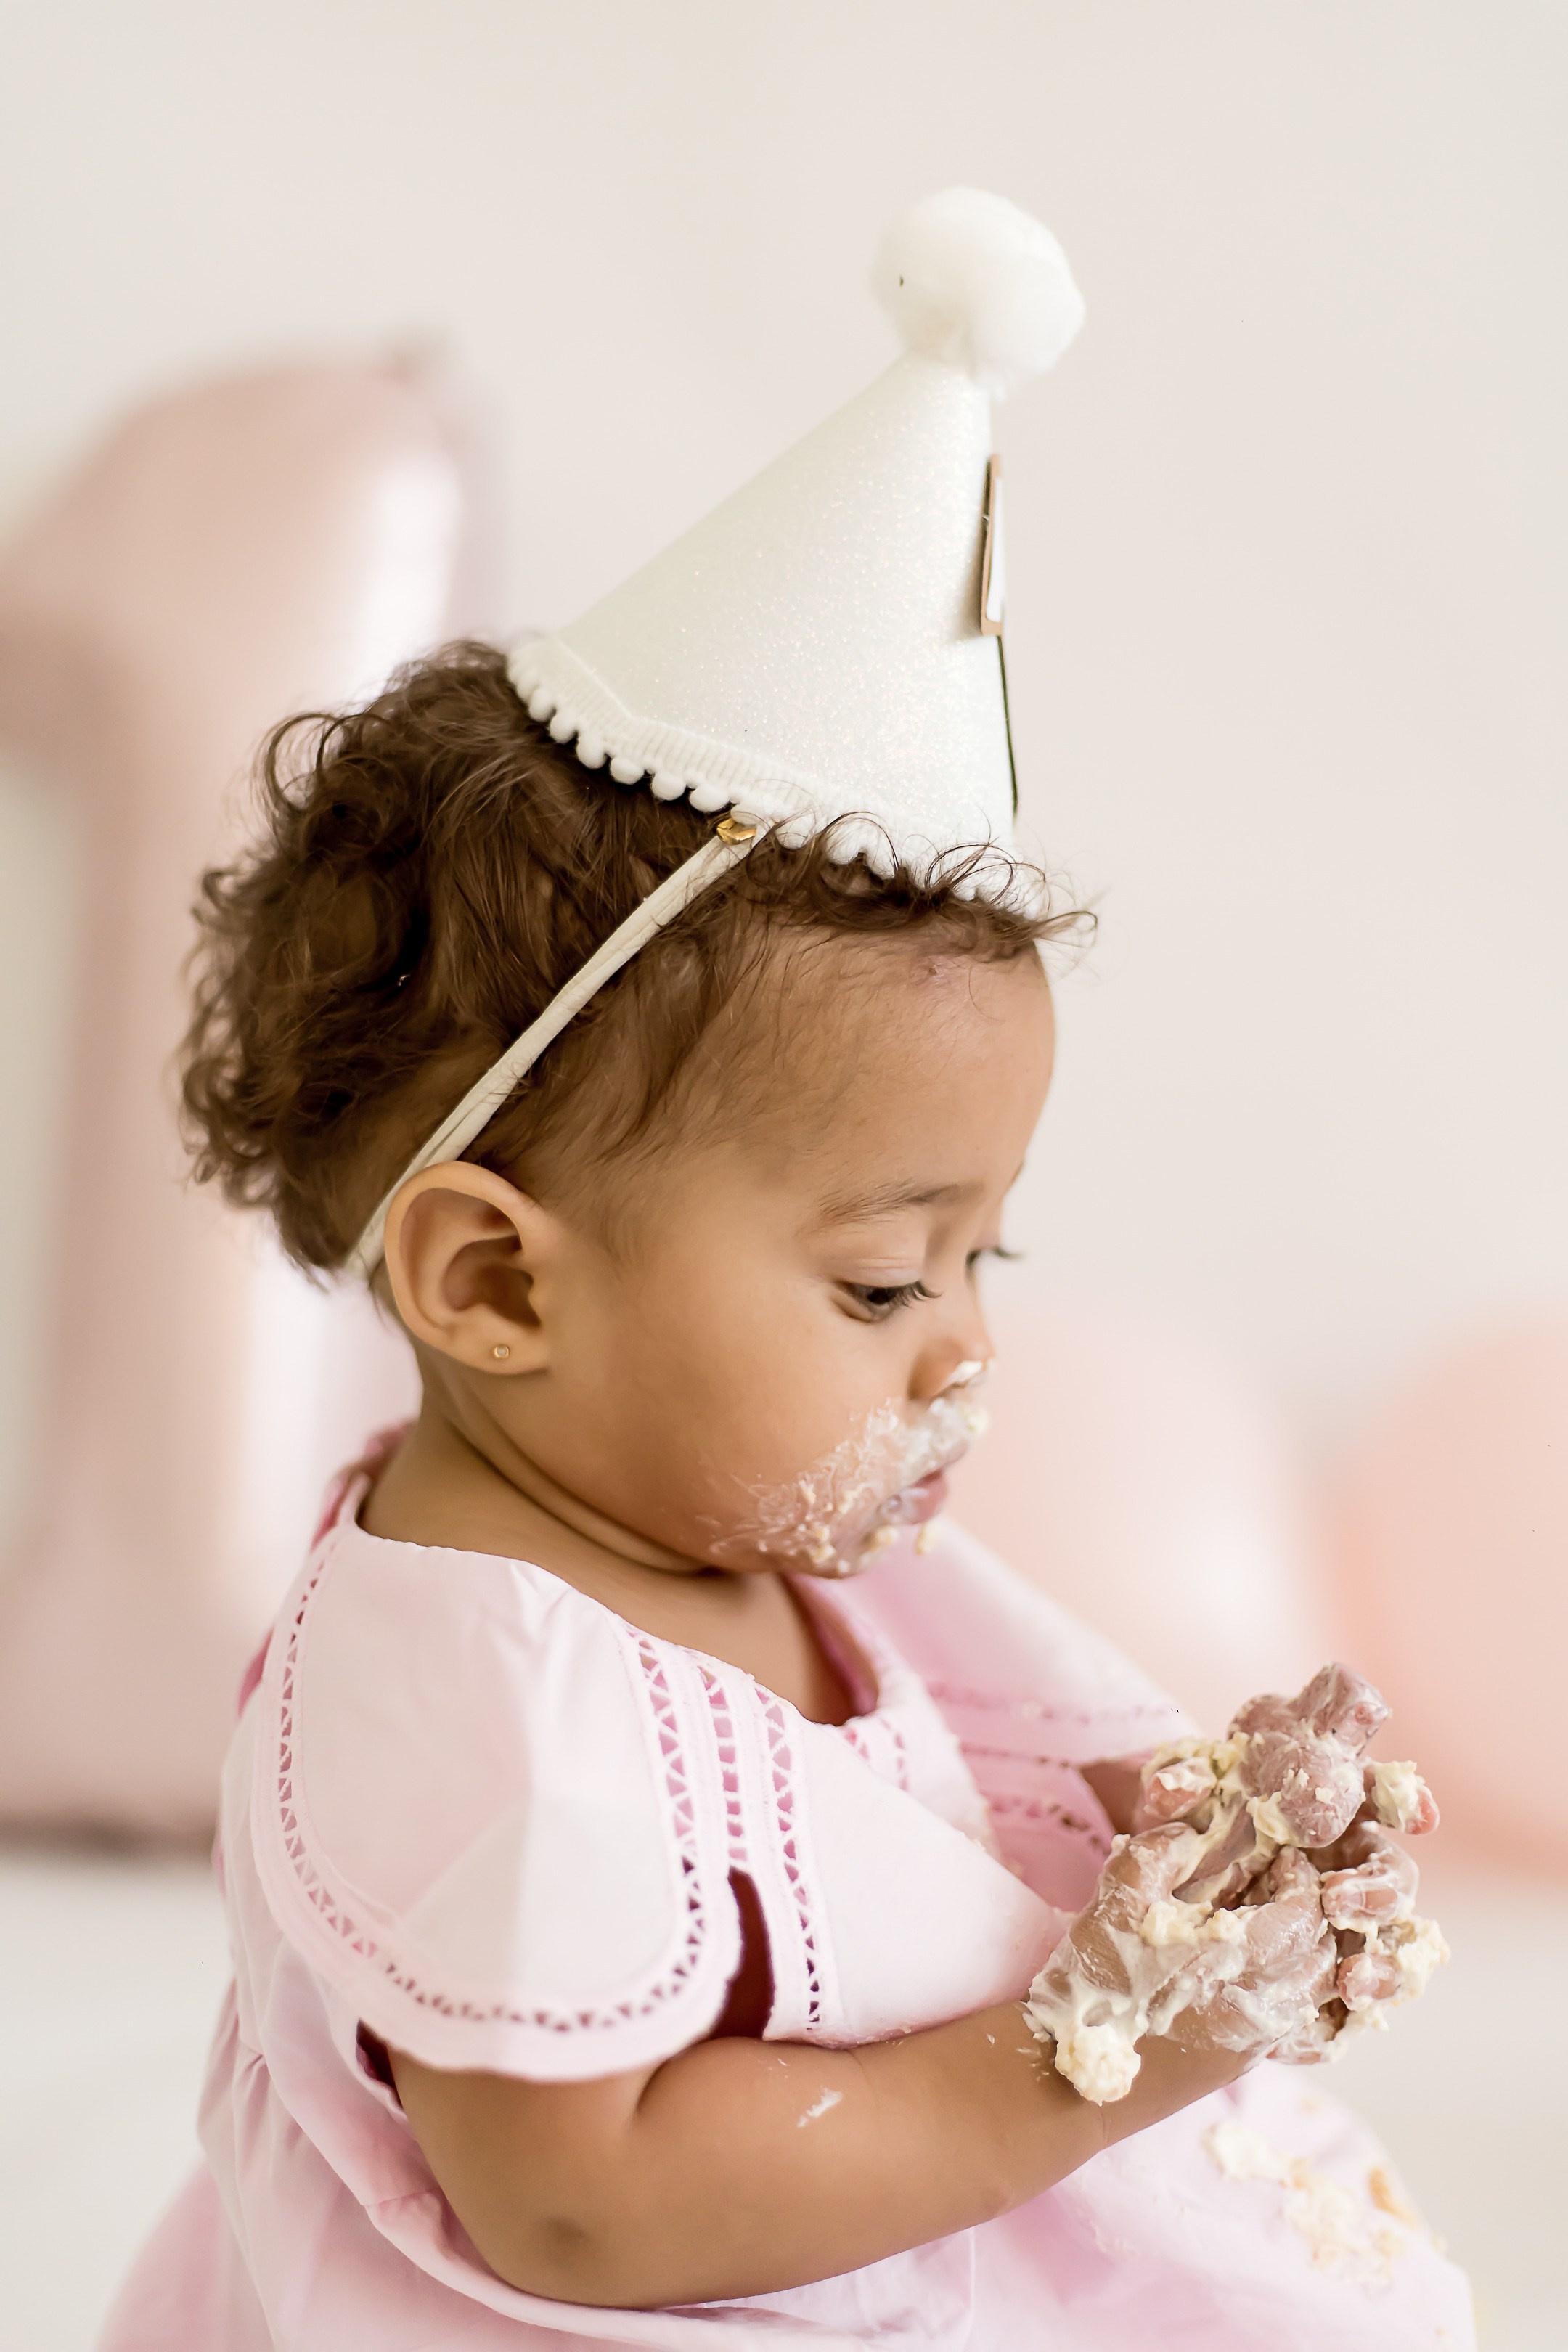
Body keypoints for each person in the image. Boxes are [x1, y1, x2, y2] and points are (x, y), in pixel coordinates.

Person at [100, 192, 1473, 2349]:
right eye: (885, 1282)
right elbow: (584, 2210)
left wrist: (1215, 1848)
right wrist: (1100, 2046)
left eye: (983, 1252)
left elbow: (990, 1763)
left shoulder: (740, 1510)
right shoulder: (486, 1713)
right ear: (497, 1287)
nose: (965, 1349)